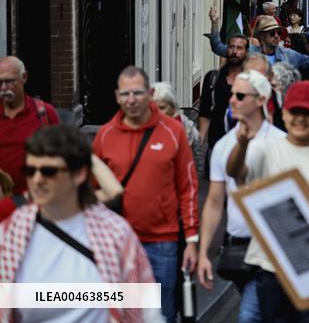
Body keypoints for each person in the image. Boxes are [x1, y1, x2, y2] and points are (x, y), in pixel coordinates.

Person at [227, 80, 309, 322]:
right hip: (273, 267)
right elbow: (236, 172)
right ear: (284, 114)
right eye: (295, 111)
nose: (300, 119)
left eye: (307, 113)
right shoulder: (263, 149)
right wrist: (243, 143)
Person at [0, 126, 156, 323]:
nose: (37, 180)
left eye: (49, 171)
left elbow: (145, 309)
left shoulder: (115, 233)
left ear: (79, 173)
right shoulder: (10, 234)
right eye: (30, 171)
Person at [92, 65, 199, 322]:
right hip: (118, 243)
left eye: (138, 93)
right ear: (117, 96)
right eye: (125, 94)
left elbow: (188, 187)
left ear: (150, 93)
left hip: (162, 241)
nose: (131, 100)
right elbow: (92, 192)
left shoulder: (173, 133)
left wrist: (192, 241)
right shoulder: (105, 136)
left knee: (160, 314)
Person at [196, 70, 284, 310]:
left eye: (240, 95)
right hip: (238, 246)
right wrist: (203, 252)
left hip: (271, 247)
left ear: (261, 100)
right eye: (232, 94)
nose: (232, 100)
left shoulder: (281, 143)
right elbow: (214, 202)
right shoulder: (224, 146)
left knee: (251, 312)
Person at [0, 56, 59, 194]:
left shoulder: (44, 113)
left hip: (37, 200)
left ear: (24, 77)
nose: (3, 88)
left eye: (9, 81)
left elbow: (62, 155)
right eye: (0, 82)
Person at [151, 81, 205, 179]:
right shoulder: (143, 129)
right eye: (153, 108)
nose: (157, 112)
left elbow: (196, 168)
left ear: (173, 107)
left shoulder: (189, 130)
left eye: (162, 108)